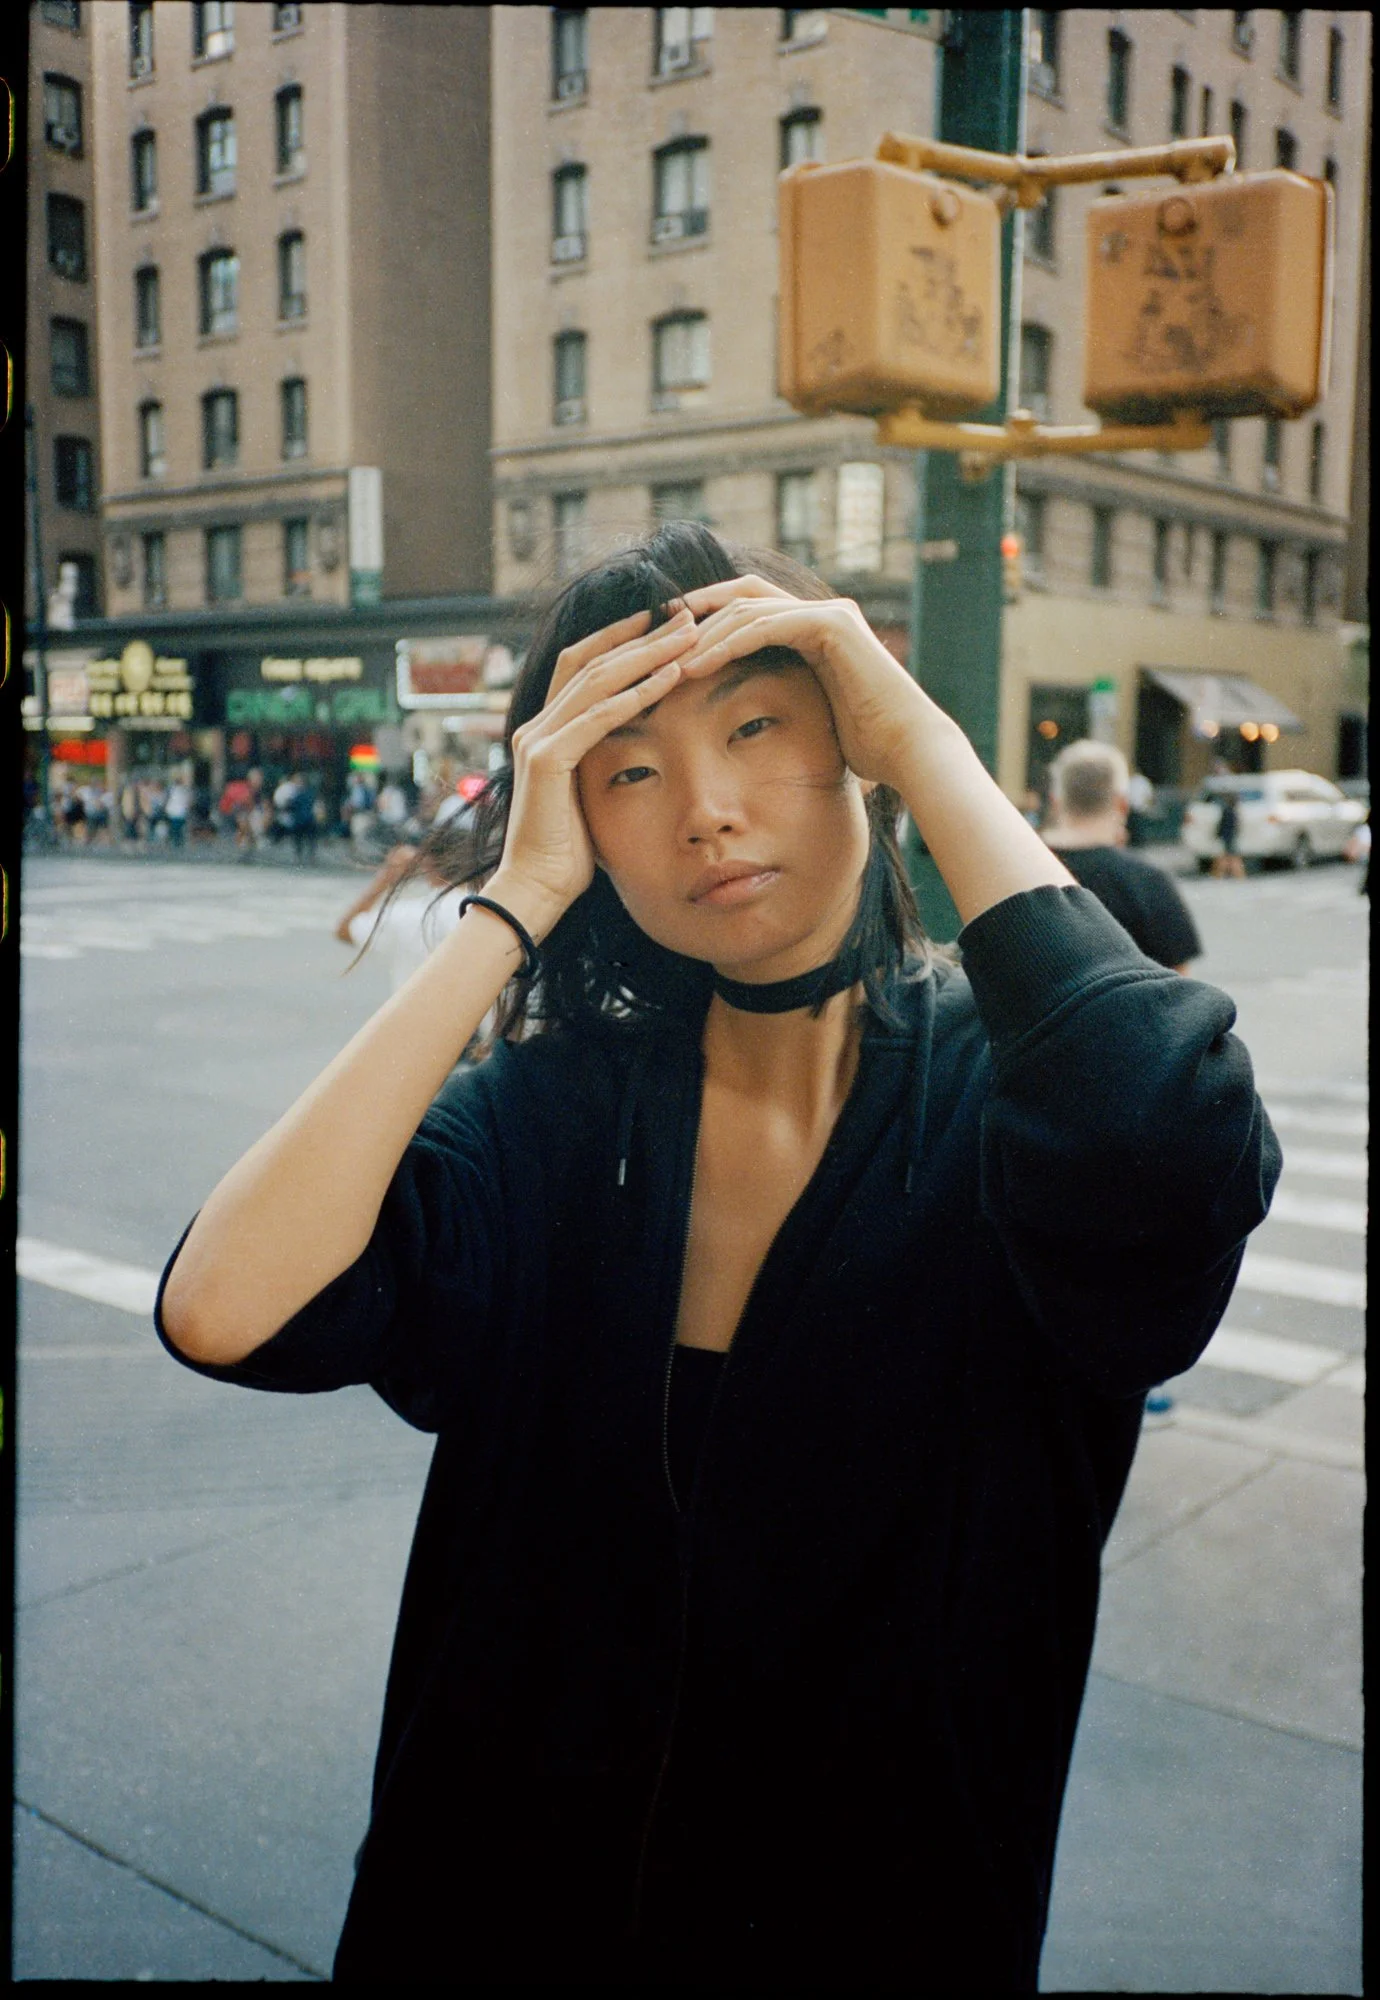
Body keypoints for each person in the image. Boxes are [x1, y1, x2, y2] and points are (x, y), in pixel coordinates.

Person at [156, 523, 1279, 1991]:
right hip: (482, 1914)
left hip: (881, 1929)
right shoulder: (558, 1110)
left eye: (758, 727)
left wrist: (926, 744)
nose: (706, 810)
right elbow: (227, 1306)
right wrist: (509, 908)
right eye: (629, 770)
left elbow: (1166, 1137)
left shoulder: (1017, 1108)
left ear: (859, 739)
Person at [1042, 739, 1202, 972]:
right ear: (1122, 804)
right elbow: (1180, 989)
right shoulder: (1149, 883)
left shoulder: (1016, 874)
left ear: (1056, 803)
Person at [334, 843, 468, 996]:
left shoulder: (408, 915)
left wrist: (386, 877)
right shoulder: (487, 913)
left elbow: (345, 929)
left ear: (427, 865)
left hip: (415, 1016)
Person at [1125, 767, 1155, 848]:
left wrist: (1145, 806)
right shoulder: (1130, 781)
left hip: (1139, 810)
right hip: (1131, 809)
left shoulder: (1142, 781)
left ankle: (1140, 845)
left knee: (1140, 830)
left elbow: (1149, 796)